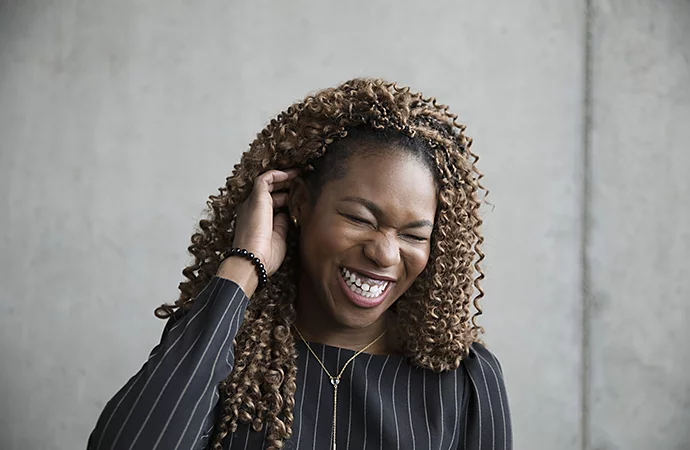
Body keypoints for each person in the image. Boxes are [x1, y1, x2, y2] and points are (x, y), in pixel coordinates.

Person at [88, 78, 512, 450]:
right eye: (359, 219)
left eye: (414, 235)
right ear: (302, 204)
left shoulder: (462, 380)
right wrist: (243, 266)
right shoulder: (222, 346)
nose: (384, 254)